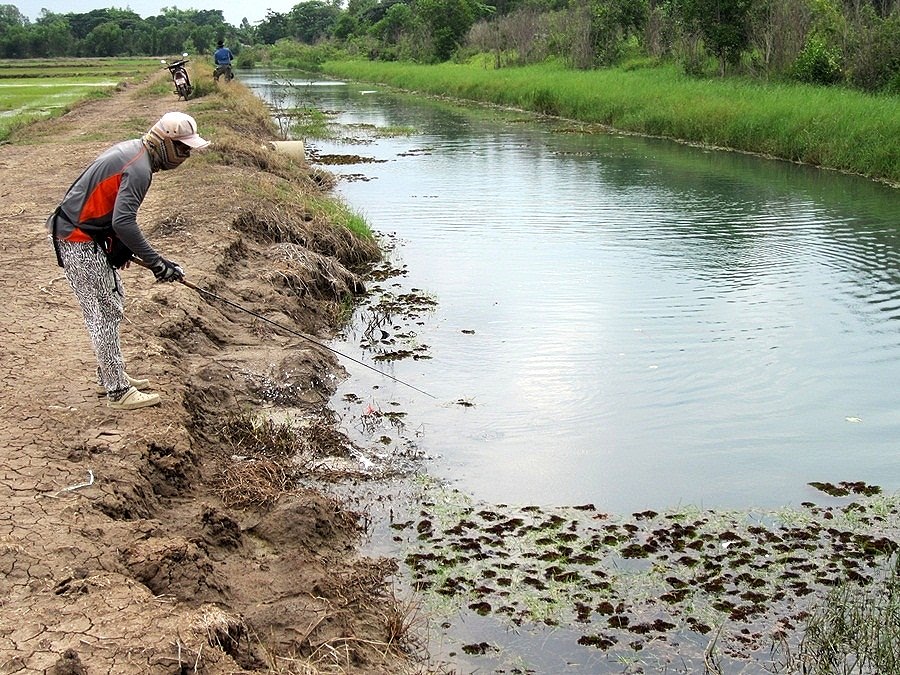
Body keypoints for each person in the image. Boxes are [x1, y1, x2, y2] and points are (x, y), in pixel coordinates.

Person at [47, 112, 210, 410]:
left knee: (112, 303)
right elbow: (124, 221)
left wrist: (117, 246)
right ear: (165, 142)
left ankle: (110, 373)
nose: (185, 156)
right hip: (77, 240)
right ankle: (118, 391)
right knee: (104, 312)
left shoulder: (135, 152)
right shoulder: (139, 169)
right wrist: (158, 263)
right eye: (183, 149)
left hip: (85, 235)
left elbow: (111, 214)